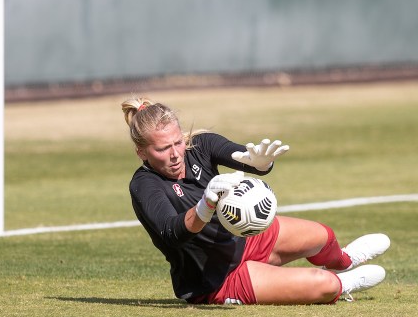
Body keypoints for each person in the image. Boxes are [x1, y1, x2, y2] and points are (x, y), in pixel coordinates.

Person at [121, 96, 391, 305]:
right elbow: (172, 233)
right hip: (216, 279)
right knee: (326, 285)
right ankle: (345, 284)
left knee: (323, 235)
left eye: (177, 142)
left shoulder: (200, 145)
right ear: (141, 152)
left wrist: (261, 164)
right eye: (162, 149)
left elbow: (242, 156)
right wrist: (206, 204)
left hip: (244, 238)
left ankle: (344, 260)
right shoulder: (144, 185)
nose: (175, 154)